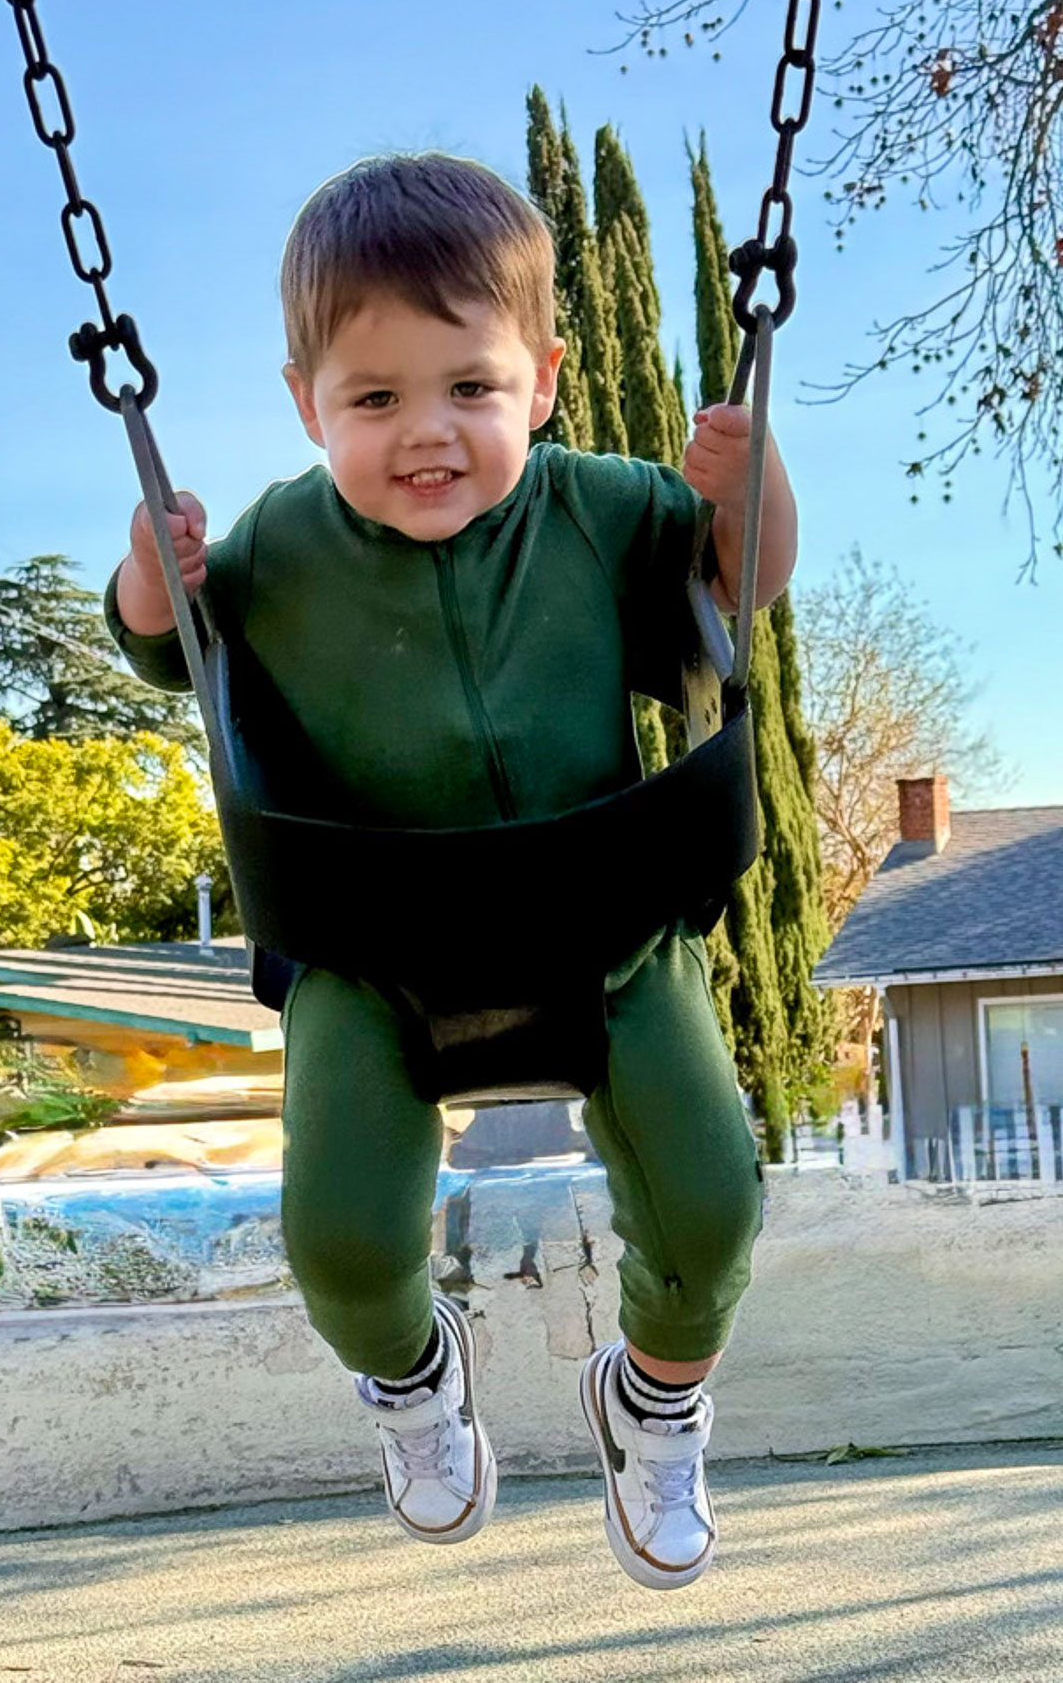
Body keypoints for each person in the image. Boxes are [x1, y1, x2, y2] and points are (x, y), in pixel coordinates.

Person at [105, 152, 796, 1591]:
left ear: (539, 384)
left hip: (604, 922)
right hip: (373, 948)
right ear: (307, 406)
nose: (427, 434)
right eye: (375, 400)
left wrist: (751, 483)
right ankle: (417, 1386)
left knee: (716, 1200)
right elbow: (174, 649)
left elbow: (739, 581)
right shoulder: (282, 547)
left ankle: (654, 1399)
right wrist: (151, 575)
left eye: (468, 390)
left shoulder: (599, 509)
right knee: (341, 1241)